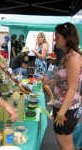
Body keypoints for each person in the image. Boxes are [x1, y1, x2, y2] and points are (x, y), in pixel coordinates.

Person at [43, 22, 82, 150]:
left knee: (66, 144)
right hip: (61, 105)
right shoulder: (66, 55)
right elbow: (64, 81)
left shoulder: (73, 58)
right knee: (61, 142)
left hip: (67, 108)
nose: (55, 40)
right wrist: (50, 81)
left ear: (67, 38)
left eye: (57, 37)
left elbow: (72, 87)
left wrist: (62, 112)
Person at [32, 32, 54, 105]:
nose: (41, 38)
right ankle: (39, 97)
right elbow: (37, 56)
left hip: (42, 67)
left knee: (43, 83)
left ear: (44, 38)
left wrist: (35, 52)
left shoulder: (44, 45)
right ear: (37, 38)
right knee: (38, 82)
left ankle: (51, 97)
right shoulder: (38, 45)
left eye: (42, 37)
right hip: (38, 66)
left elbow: (43, 57)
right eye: (39, 37)